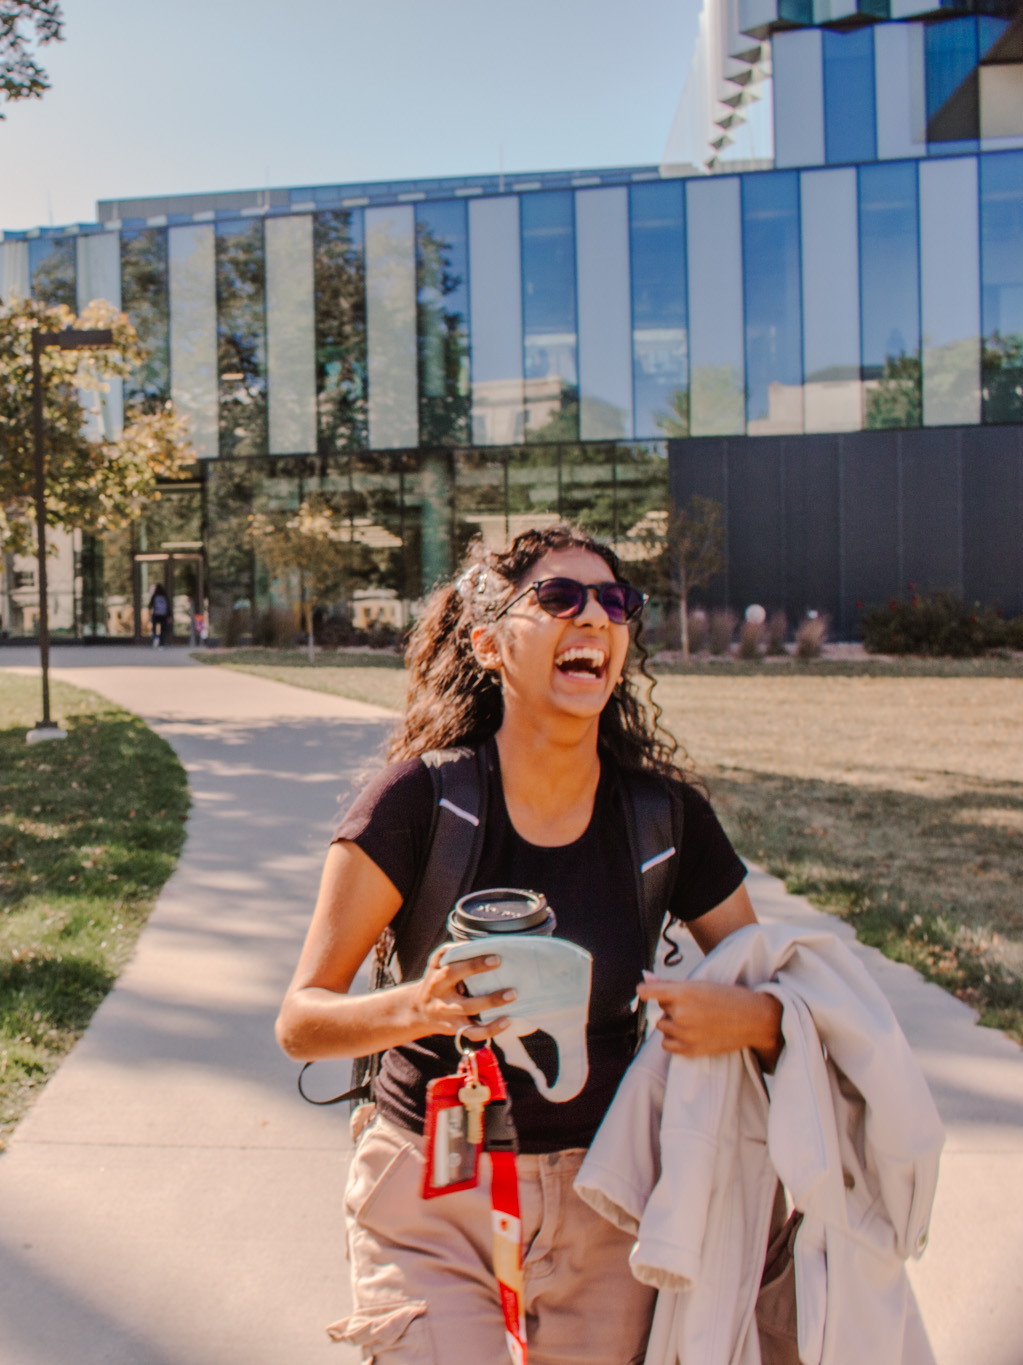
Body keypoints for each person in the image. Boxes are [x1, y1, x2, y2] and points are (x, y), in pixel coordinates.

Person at [277, 525, 782, 1365]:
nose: (595, 616)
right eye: (558, 598)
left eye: (615, 602)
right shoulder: (418, 803)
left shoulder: (665, 820)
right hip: (433, 1193)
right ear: (489, 644)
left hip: (611, 1201)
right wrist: (418, 1006)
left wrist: (747, 1020)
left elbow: (777, 999)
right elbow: (302, 1019)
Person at [147, 584, 171, 648]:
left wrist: (151, 612)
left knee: (156, 628)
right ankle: (161, 644)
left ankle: (156, 637)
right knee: (163, 630)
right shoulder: (164, 596)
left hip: (156, 615)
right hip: (163, 616)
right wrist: (169, 616)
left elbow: (150, 605)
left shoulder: (155, 596)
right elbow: (168, 607)